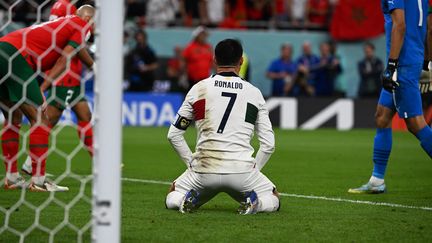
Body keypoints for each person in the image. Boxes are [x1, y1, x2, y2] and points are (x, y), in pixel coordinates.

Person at [165, 39, 280, 214]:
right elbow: (268, 145)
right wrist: (253, 169)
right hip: (242, 172)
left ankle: (182, 201)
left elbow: (173, 135)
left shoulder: (198, 89)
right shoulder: (254, 93)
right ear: (241, 61)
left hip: (204, 171)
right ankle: (257, 204)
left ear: (214, 60)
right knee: (273, 196)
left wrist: (192, 163)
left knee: (173, 192)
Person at [0, 5, 95, 192]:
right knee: (41, 119)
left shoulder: (62, 22)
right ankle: (39, 180)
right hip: (17, 57)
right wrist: (43, 88)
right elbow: (65, 58)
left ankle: (12, 177)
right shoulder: (81, 25)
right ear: (89, 18)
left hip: (4, 47)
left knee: (13, 117)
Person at [349, 0, 432, 194]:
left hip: (401, 64)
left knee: (415, 123)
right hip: (413, 59)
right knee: (382, 116)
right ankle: (377, 180)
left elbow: (400, 24)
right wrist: (427, 62)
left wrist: (392, 66)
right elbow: (430, 26)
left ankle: (377, 179)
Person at [181, 26, 213, 90]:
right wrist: (183, 75)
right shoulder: (190, 47)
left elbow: (212, 62)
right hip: (193, 80)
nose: (203, 37)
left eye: (205, 35)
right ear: (197, 36)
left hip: (206, 80)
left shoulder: (209, 47)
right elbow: (183, 61)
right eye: (201, 35)